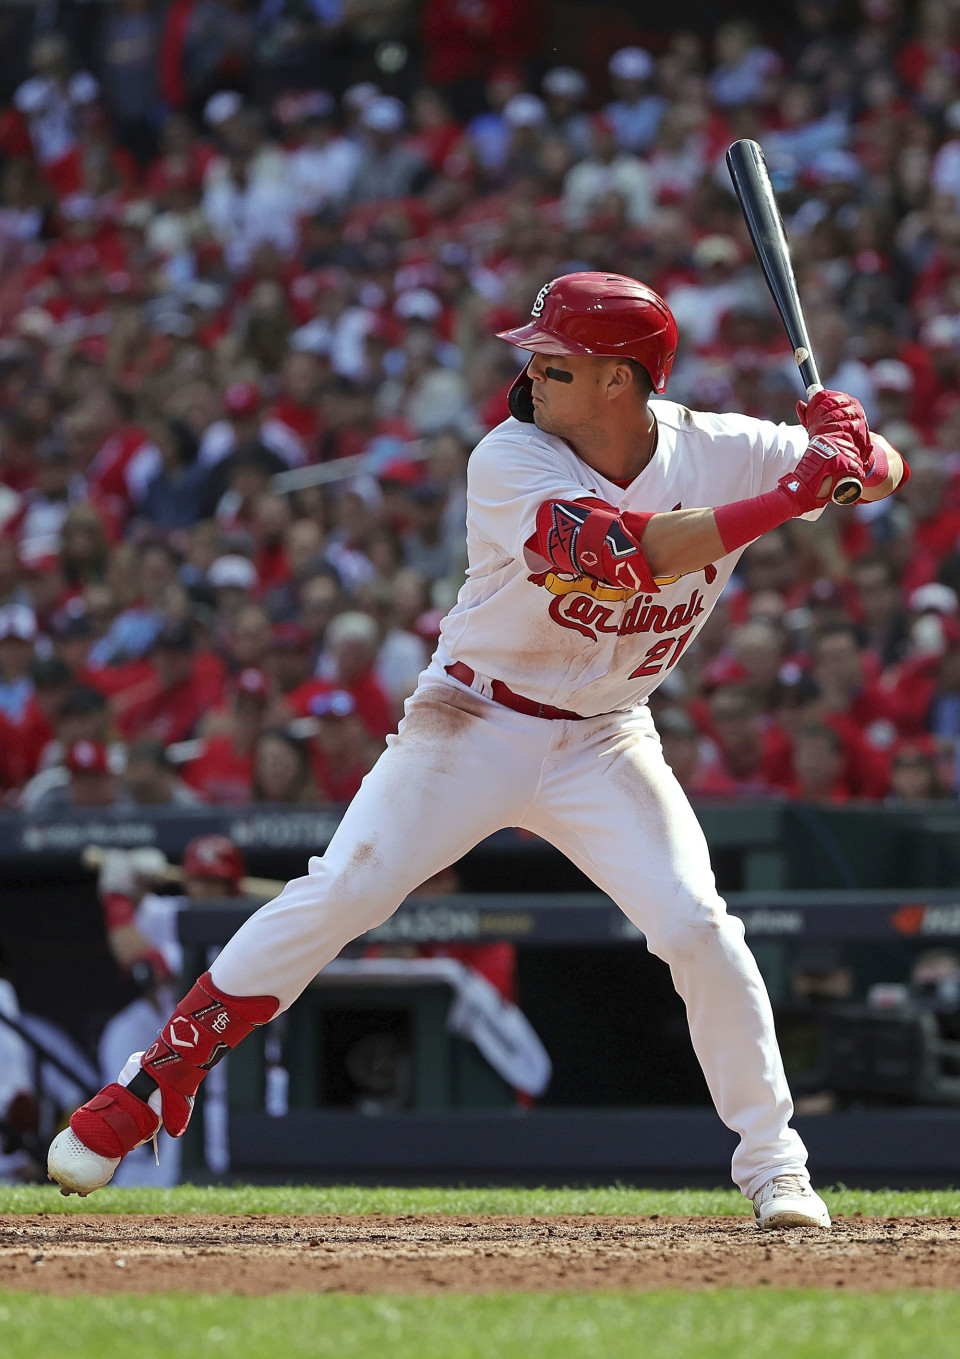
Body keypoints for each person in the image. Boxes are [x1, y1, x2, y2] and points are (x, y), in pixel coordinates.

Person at [49, 271, 907, 1228]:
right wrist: (795, 492)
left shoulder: (724, 449)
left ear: (622, 380)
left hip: (606, 737)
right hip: (470, 721)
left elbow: (883, 470)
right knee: (349, 887)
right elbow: (621, 555)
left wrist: (853, 445)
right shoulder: (510, 457)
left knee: (699, 925)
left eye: (557, 362)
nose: (531, 373)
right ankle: (155, 1077)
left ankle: (776, 1165)